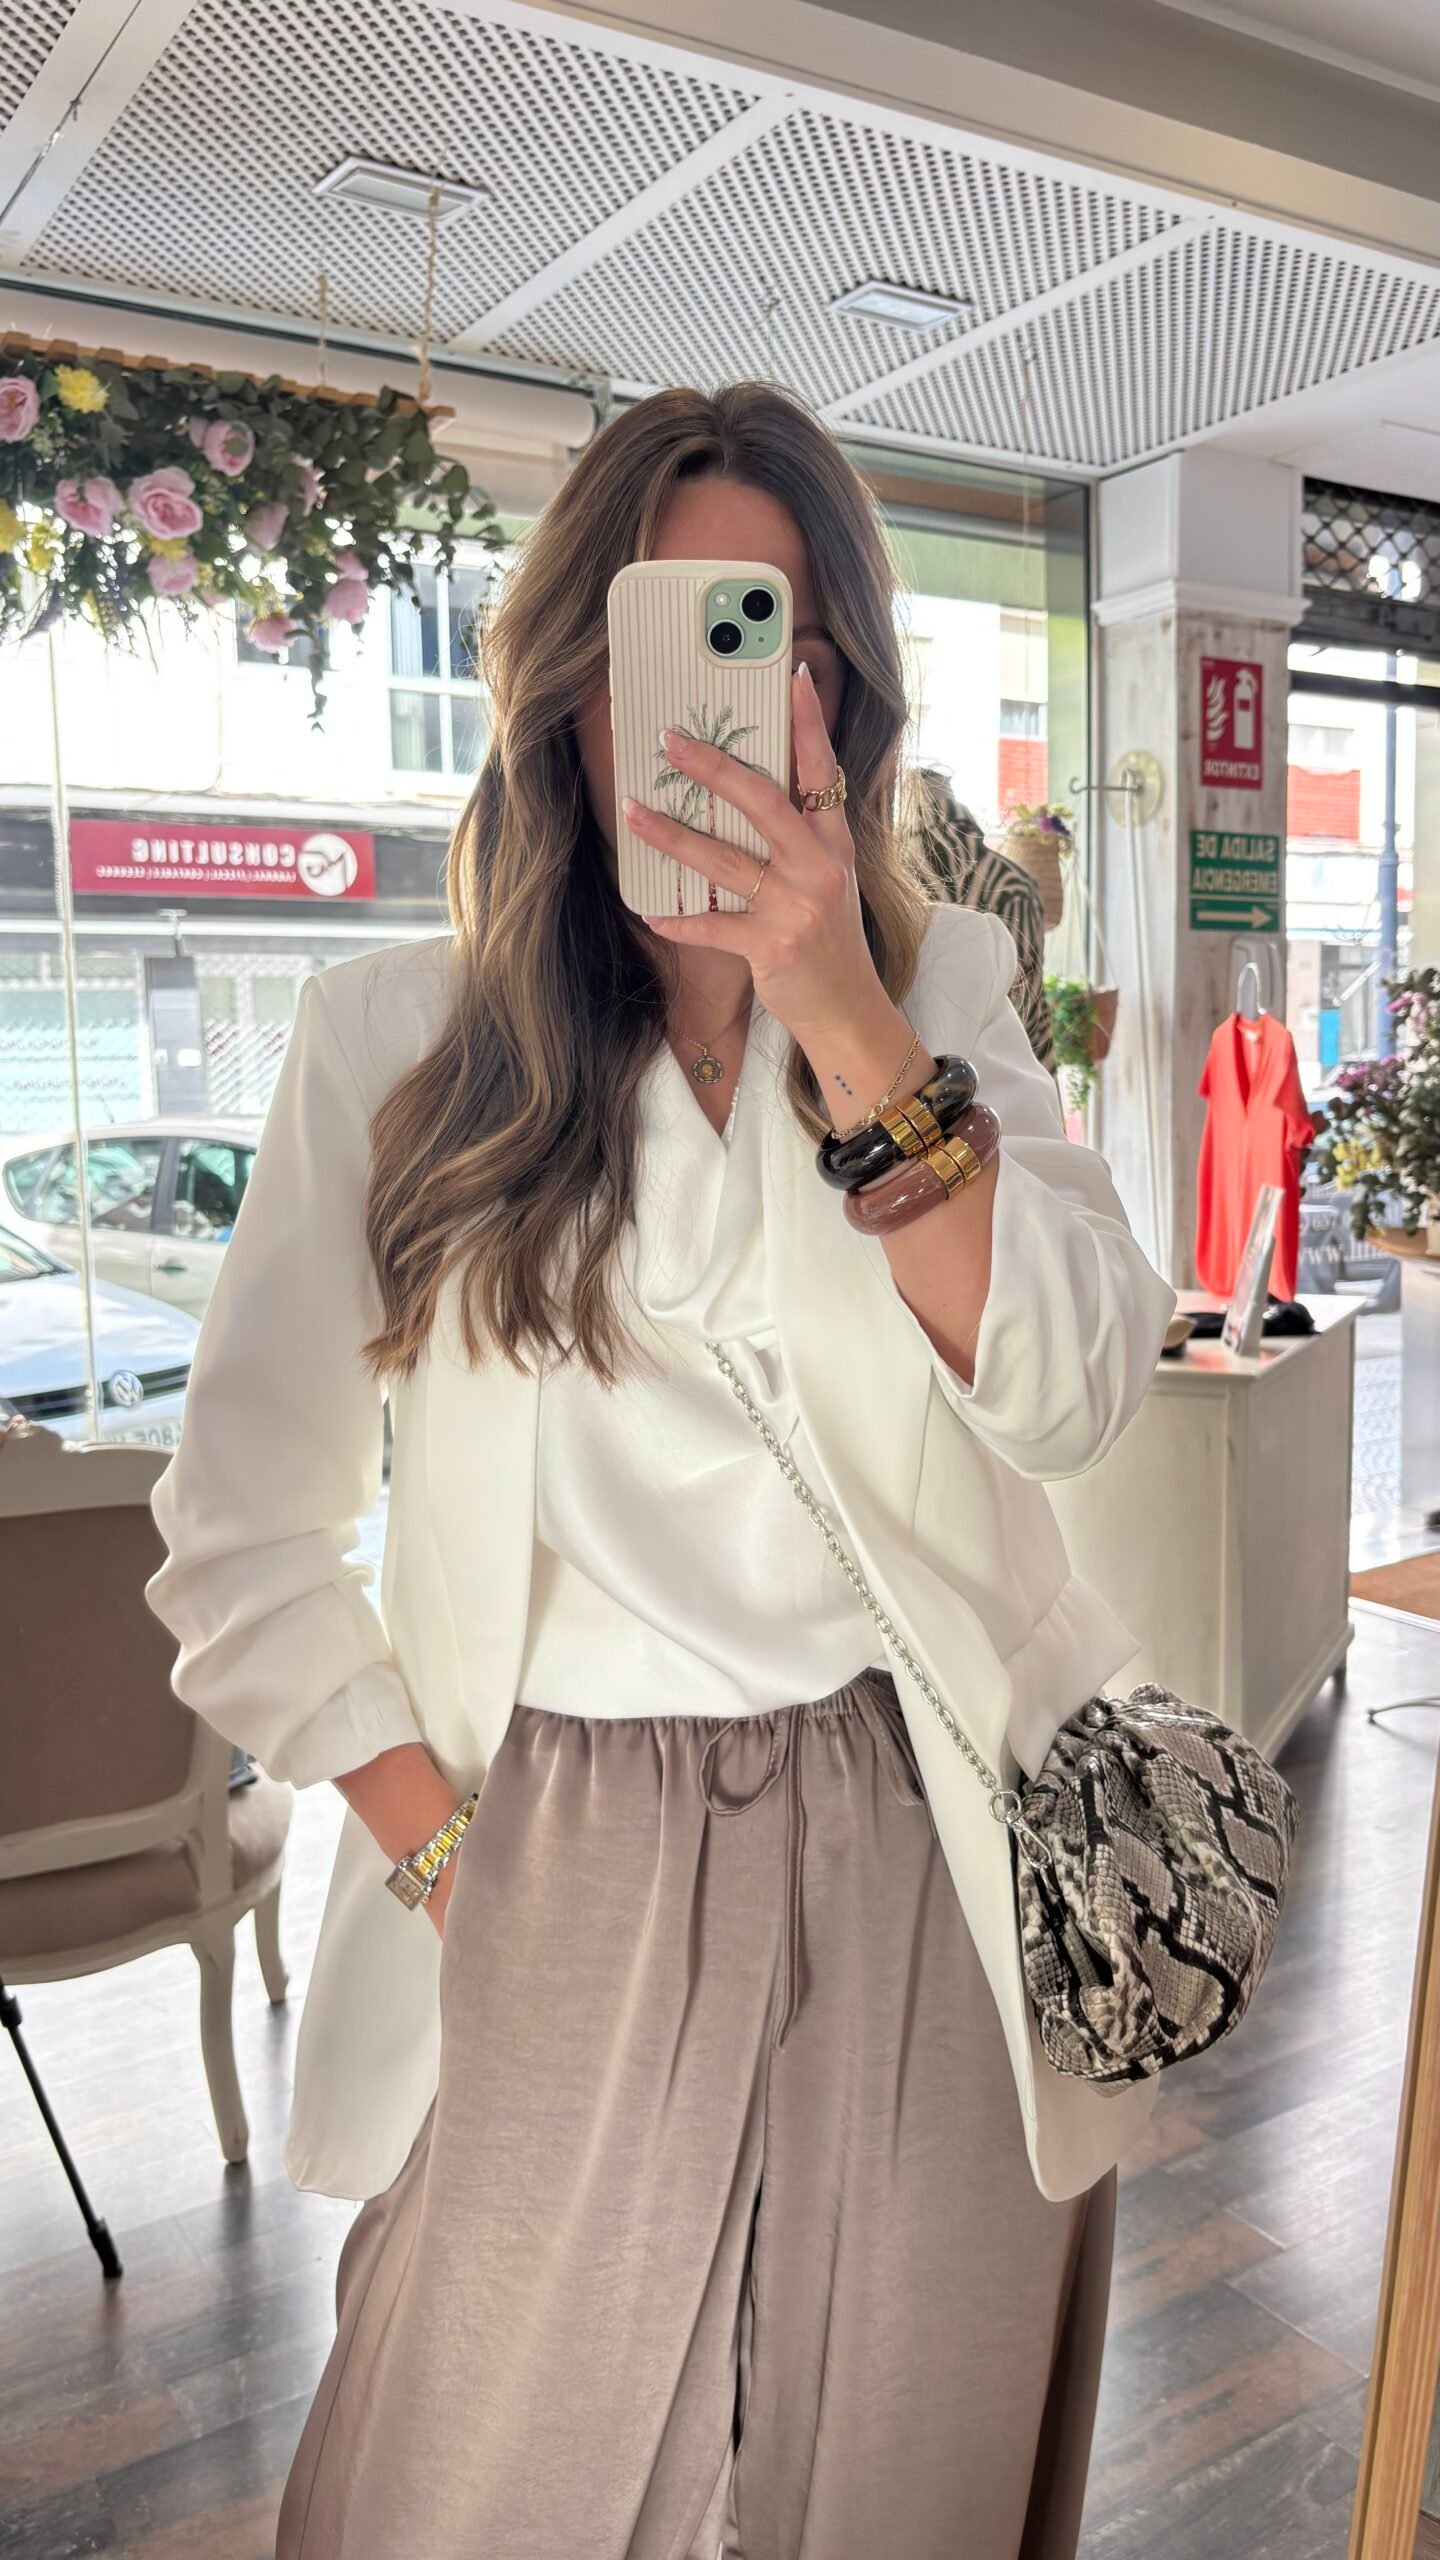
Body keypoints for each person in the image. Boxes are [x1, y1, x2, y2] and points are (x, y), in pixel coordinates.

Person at [146, 383, 1176, 2560]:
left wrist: (846, 1011)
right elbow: (237, 1533)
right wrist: (447, 1857)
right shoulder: (395, 1043)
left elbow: (1077, 1393)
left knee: (893, 2471)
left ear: (840, 693)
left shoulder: (942, 991)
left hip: (917, 1823)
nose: (716, 698)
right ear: (572, 682)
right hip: (557, 1837)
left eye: (770, 635)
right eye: (669, 634)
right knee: (478, 2475)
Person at [907, 763, 1056, 1070]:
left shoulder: (885, 880)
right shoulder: (1013, 884)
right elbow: (1029, 1001)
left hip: (909, 1070)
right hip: (1006, 1067)